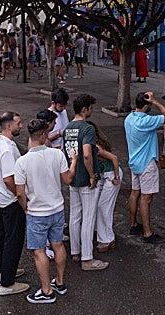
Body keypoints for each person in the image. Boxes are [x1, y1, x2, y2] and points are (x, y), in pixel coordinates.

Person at [15, 118, 78, 304]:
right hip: (57, 208)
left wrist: (25, 207)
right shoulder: (57, 154)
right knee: (58, 245)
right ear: (44, 135)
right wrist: (74, 161)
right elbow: (67, 179)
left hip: (37, 212)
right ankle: (59, 282)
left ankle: (46, 291)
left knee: (39, 251)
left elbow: (20, 193)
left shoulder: (22, 161)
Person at [63, 93, 106, 271]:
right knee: (88, 218)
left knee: (75, 216)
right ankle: (87, 258)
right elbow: (87, 154)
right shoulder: (87, 129)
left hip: (73, 176)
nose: (92, 110)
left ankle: (75, 251)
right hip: (85, 178)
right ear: (84, 109)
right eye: (90, 108)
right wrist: (92, 175)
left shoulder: (68, 128)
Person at [125, 91, 165, 244]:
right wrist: (155, 101)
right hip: (147, 163)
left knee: (135, 193)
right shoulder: (146, 121)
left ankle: (133, 224)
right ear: (147, 105)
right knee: (146, 199)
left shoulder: (129, 119)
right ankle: (147, 233)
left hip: (134, 161)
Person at [0, 111, 28, 296]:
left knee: (3, 237)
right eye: (18, 123)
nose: (21, 126)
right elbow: (8, 179)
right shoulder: (6, 150)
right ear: (9, 126)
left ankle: (4, 271)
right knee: (13, 240)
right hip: (10, 201)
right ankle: (7, 283)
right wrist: (20, 197)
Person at [90, 122, 122, 253]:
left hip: (111, 176)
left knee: (103, 206)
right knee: (101, 206)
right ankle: (103, 234)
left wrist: (116, 177)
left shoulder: (96, 147)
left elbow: (114, 158)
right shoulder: (93, 145)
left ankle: (107, 238)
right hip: (105, 176)